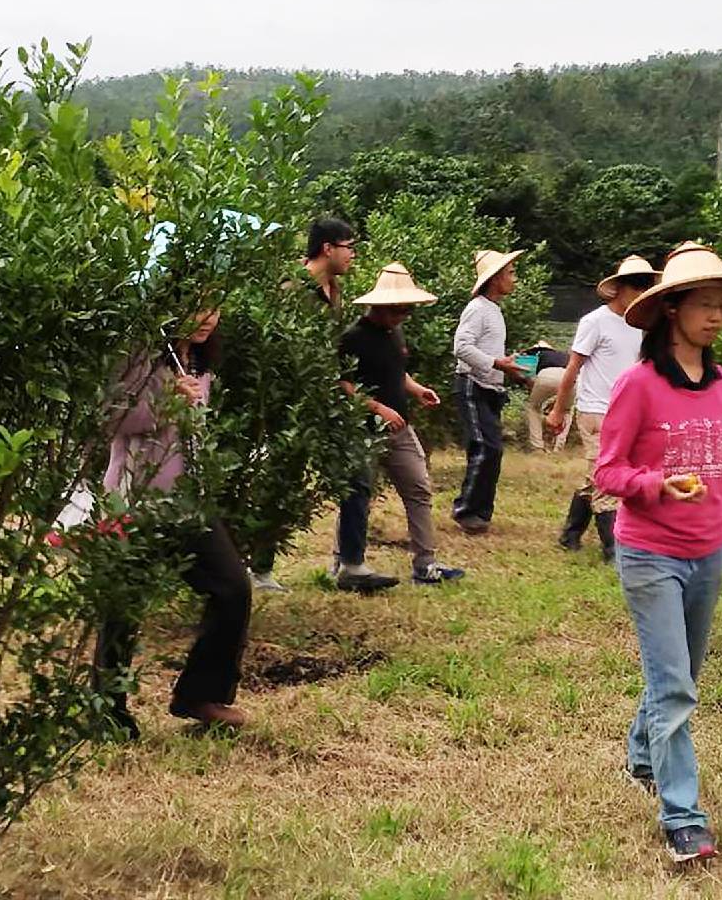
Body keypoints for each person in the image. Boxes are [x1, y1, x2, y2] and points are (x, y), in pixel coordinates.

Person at [593, 243, 722, 865]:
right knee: (674, 687)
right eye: (704, 303)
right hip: (650, 555)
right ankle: (683, 817)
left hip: (708, 555)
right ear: (672, 309)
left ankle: (642, 756)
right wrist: (653, 485)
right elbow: (608, 471)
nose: (717, 315)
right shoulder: (637, 385)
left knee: (683, 677)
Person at [96, 309, 253, 733]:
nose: (208, 319)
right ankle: (106, 710)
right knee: (123, 608)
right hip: (139, 499)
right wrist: (165, 402)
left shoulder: (199, 361)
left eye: (216, 308)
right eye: (198, 307)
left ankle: (200, 695)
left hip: (190, 501)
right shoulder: (143, 355)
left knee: (233, 588)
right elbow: (109, 416)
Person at [331, 263, 467, 592]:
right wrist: (377, 408)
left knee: (418, 488)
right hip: (364, 429)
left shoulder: (396, 333)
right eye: (398, 310)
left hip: (400, 429)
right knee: (357, 493)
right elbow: (342, 383)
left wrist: (416, 389)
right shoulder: (353, 337)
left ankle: (426, 564)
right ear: (379, 306)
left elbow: (396, 373)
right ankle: (346, 562)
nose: (403, 315)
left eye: (407, 309)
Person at [250, 216, 359, 595]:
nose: (353, 255)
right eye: (349, 247)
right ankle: (258, 568)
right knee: (279, 479)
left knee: (331, 475)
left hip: (320, 398)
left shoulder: (335, 291)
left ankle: (345, 561)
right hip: (287, 401)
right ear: (327, 248)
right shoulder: (291, 287)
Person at [547, 255, 654, 560]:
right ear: (618, 287)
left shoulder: (638, 324)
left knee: (594, 477)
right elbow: (573, 367)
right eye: (636, 283)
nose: (641, 289)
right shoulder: (595, 321)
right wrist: (559, 409)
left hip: (624, 412)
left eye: (646, 284)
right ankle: (614, 550)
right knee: (607, 481)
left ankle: (570, 534)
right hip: (595, 411)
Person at [451, 249, 529, 533]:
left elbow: (486, 351)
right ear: (494, 278)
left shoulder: (493, 310)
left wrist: (513, 370)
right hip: (472, 385)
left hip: (490, 387)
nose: (514, 279)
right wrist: (496, 363)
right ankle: (466, 510)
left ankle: (480, 513)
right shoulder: (477, 309)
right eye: (510, 273)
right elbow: (461, 347)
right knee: (486, 448)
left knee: (492, 450)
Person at [521, 342, 572, 453]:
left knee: (533, 407)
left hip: (546, 376)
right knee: (566, 410)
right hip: (570, 377)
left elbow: (528, 377)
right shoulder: (563, 355)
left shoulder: (535, 354)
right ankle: (559, 446)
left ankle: (537, 445)